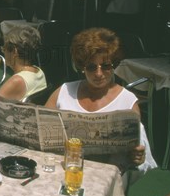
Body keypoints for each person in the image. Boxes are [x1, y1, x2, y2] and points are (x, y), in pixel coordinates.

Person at [45, 28, 156, 181]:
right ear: (82, 67)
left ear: (114, 65)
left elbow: (135, 155)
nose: (99, 74)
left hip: (104, 179)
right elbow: (41, 132)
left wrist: (137, 156)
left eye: (106, 66)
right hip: (63, 172)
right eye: (91, 67)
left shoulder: (127, 102)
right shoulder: (64, 91)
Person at [0, 26, 46, 101]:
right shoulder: (39, 72)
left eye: (4, 48)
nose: (4, 52)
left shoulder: (17, 81)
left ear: (14, 52)